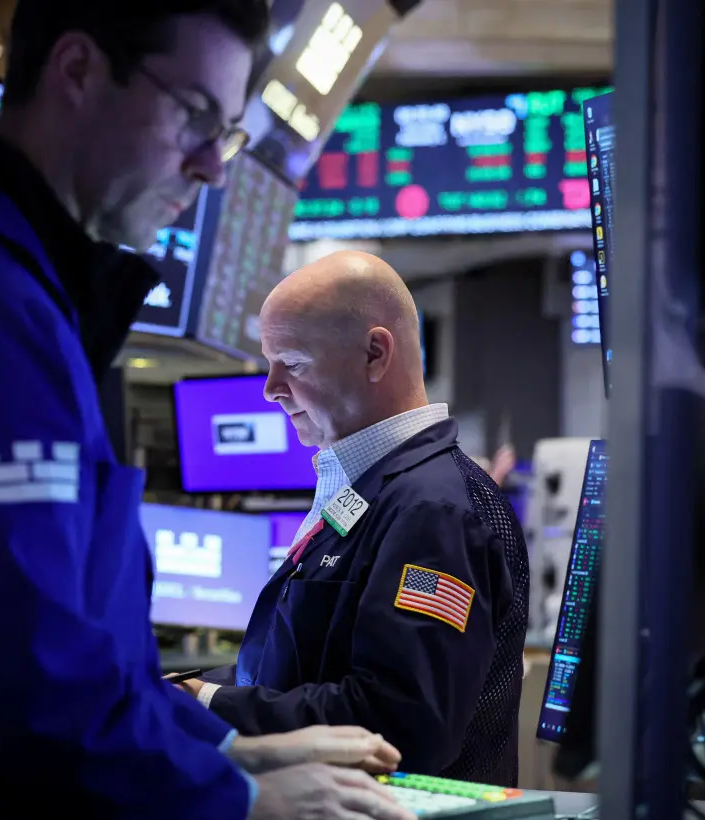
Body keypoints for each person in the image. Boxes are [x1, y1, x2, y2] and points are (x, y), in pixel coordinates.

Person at [0, 4, 414, 819]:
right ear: (77, 69)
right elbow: (16, 684)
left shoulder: (0, 290)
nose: (212, 167)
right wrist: (239, 800)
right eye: (196, 116)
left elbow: (79, 654)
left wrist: (230, 748)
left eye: (227, 132)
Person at [178, 251, 531, 785]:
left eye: (291, 363)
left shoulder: (433, 509)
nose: (270, 388)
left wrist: (209, 703)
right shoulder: (371, 491)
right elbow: (302, 669)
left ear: (374, 353)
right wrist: (182, 688)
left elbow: (401, 726)